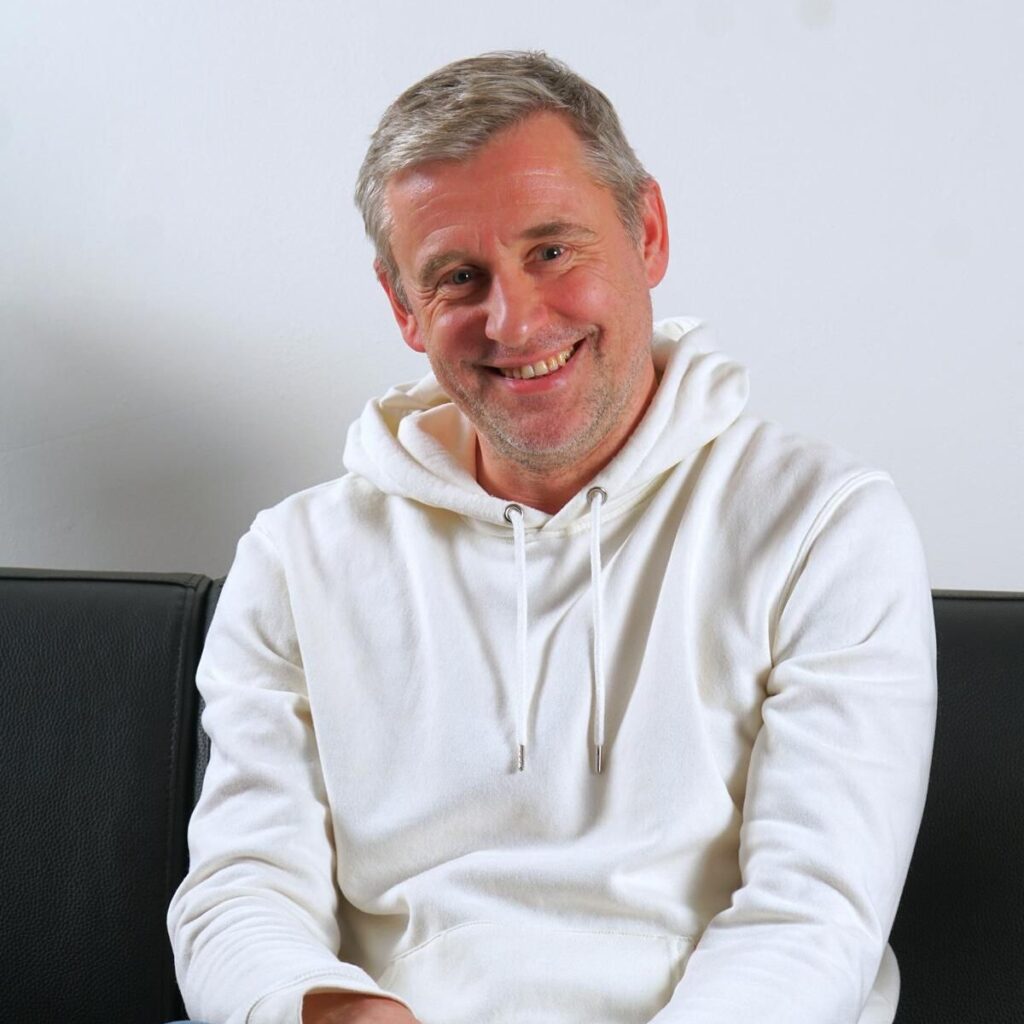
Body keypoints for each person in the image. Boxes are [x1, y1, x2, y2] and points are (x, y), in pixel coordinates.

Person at [167, 51, 936, 1024]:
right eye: (458, 277)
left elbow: (813, 921)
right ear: (403, 305)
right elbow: (240, 893)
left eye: (552, 251)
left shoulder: (824, 523)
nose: (516, 322)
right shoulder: (295, 558)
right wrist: (330, 1011)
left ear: (647, 233)